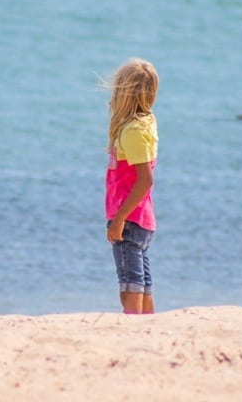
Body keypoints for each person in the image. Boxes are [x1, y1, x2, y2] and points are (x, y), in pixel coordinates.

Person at [105, 58, 159, 314]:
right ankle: (149, 325)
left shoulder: (133, 131)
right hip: (141, 217)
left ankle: (133, 327)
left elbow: (145, 179)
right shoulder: (146, 122)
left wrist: (119, 219)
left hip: (130, 219)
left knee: (130, 286)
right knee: (143, 283)